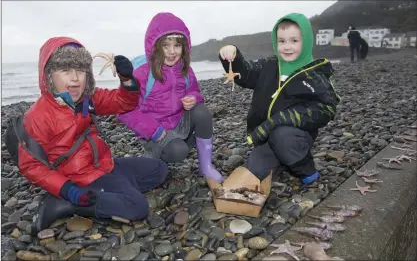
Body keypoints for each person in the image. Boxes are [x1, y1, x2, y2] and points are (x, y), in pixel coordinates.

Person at [14, 36, 168, 235]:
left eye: (80, 70)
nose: (75, 78)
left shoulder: (89, 99)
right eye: (66, 70)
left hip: (103, 165)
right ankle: (67, 204)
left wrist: (127, 80)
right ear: (49, 76)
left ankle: (113, 192)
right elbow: (31, 165)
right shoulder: (37, 116)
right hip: (77, 178)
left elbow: (123, 102)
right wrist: (68, 190)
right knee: (138, 207)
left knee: (160, 169)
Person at [218, 13, 340, 185]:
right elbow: (245, 74)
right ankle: (284, 162)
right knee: (255, 172)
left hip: (294, 135)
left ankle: (307, 171)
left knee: (283, 137)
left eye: (294, 41)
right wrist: (233, 56)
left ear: (306, 42)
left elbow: (326, 109)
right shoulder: (269, 66)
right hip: (265, 136)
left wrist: (281, 119)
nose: (287, 46)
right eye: (281, 41)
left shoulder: (314, 74)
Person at [118, 12, 223, 182]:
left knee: (202, 112)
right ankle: (152, 155)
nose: (172, 52)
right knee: (178, 151)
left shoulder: (185, 70)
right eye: (165, 46)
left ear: (184, 47)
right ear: (154, 46)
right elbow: (124, 109)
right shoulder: (142, 73)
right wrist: (153, 130)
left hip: (178, 123)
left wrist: (193, 98)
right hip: (155, 130)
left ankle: (206, 167)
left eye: (177, 45)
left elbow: (196, 92)